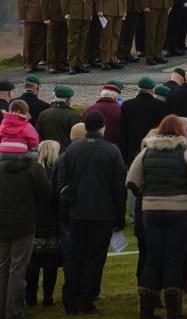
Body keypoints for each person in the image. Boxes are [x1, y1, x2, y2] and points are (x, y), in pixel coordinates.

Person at [126, 114, 187, 317]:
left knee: (153, 258)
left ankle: (146, 310)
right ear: (181, 131)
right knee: (174, 259)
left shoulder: (145, 153)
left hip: (151, 211)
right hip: (180, 211)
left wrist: (149, 193)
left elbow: (132, 182)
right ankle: (174, 311)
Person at [58, 111, 127, 316]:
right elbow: (118, 188)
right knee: (95, 259)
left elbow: (62, 182)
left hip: (77, 212)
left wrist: (66, 208)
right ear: (102, 127)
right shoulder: (112, 151)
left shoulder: (71, 150)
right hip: (103, 213)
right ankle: (86, 301)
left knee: (75, 256)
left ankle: (70, 300)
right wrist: (119, 215)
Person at [0, 134, 52, 319]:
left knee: (4, 267)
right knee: (17, 268)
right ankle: (13, 311)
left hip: (4, 222)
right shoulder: (33, 168)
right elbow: (46, 194)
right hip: (24, 222)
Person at [23, 140, 60, 307]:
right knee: (50, 262)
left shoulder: (32, 171)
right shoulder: (57, 171)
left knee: (32, 262)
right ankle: (48, 297)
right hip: (52, 223)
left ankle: (30, 297)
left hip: (34, 221)